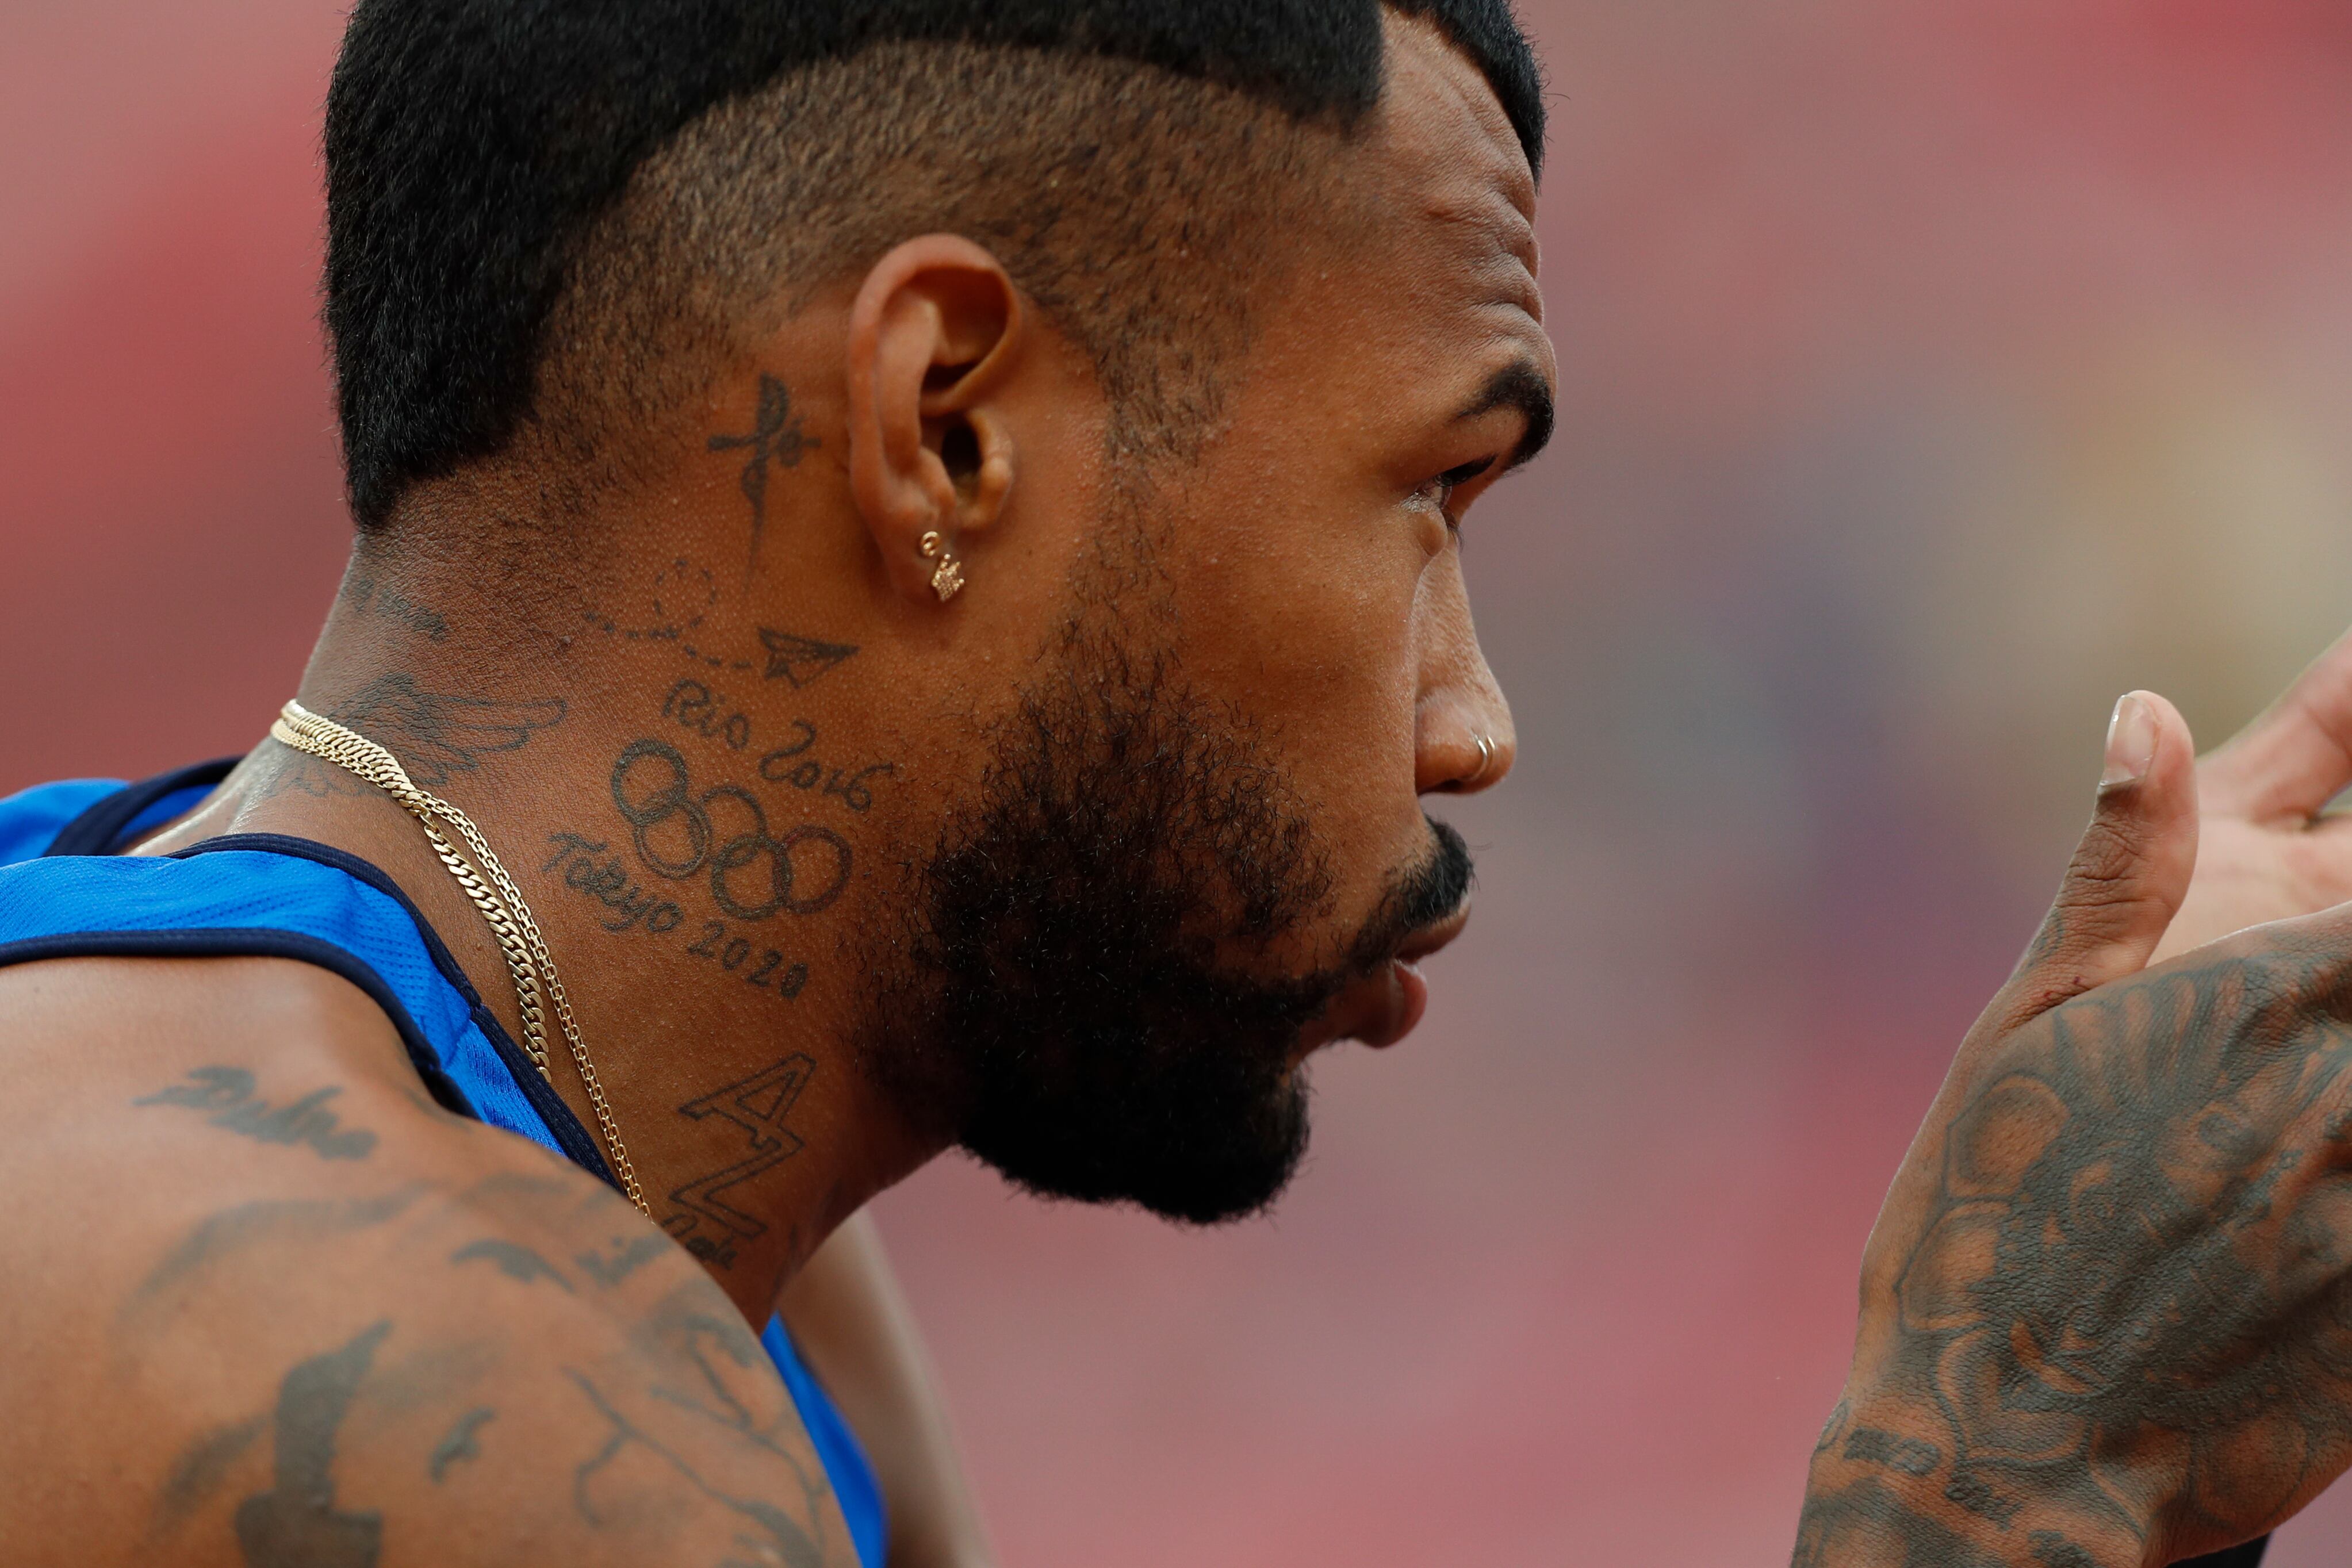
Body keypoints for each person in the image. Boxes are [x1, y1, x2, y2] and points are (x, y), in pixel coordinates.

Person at [1, 6, 2348, 1568]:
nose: (1471, 723)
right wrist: (2020, 1450)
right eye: (1428, 493)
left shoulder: (673, 1236)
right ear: (944, 425)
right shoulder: (416, 1368)